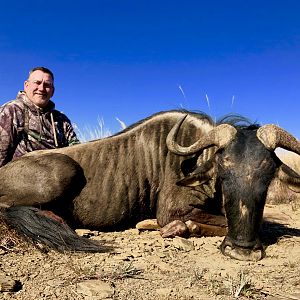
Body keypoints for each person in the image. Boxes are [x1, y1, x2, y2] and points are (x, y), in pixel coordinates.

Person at [0, 66, 79, 167]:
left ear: (52, 91)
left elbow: (77, 152)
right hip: (21, 179)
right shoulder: (11, 111)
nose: (41, 88)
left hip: (60, 177)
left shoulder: (62, 120)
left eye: (47, 85)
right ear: (26, 85)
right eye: (37, 82)